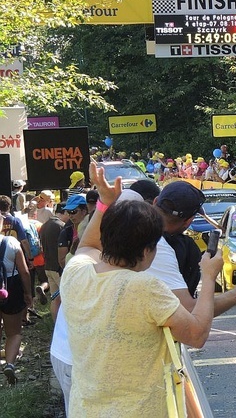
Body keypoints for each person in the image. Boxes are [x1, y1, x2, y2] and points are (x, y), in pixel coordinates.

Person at [60, 171, 223, 416]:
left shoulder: (75, 273)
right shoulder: (145, 288)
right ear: (148, 249)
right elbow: (196, 334)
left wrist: (105, 203)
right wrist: (209, 277)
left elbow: (87, 245)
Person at [0, 233, 33, 385]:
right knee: (14, 333)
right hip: (11, 288)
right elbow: (24, 272)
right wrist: (28, 293)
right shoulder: (11, 242)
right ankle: (10, 364)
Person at [57, 194, 88, 270]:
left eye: (73, 211)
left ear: (84, 211)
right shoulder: (66, 232)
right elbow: (62, 261)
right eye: (68, 212)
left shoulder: (94, 230)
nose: (70, 215)